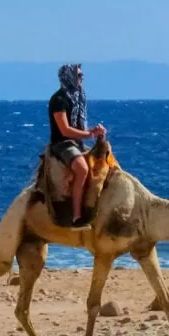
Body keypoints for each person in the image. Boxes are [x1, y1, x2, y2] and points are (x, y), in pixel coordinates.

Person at [47, 63, 106, 225]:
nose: (82, 78)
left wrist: (95, 131)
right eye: (79, 75)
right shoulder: (58, 100)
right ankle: (76, 215)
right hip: (62, 143)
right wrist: (89, 134)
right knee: (82, 169)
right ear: (69, 77)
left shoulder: (78, 96)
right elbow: (65, 130)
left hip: (77, 142)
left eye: (81, 75)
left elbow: (80, 126)